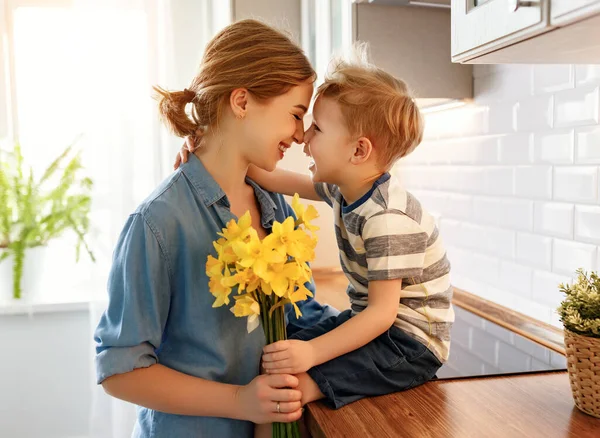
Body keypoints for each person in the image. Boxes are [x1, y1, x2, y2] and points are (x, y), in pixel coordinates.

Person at [94, 19, 337, 437]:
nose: (300, 135)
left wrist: (378, 329)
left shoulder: (276, 209)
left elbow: (299, 319)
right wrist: (240, 402)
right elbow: (120, 372)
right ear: (241, 101)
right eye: (296, 115)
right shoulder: (157, 223)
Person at [247, 52, 455, 410]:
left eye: (318, 128)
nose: (304, 137)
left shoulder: (388, 219)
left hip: (409, 344)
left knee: (292, 385)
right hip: (375, 327)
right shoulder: (346, 189)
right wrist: (216, 152)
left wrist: (312, 352)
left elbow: (381, 314)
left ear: (359, 150)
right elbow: (273, 177)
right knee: (275, 358)